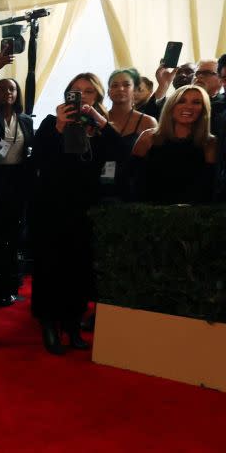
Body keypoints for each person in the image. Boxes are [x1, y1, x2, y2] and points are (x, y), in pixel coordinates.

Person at [31, 73, 124, 355]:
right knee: (51, 267)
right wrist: (60, 126)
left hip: (85, 208)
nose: (82, 96)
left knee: (79, 268)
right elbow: (39, 161)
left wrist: (98, 119)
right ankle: (49, 324)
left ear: (97, 96)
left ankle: (72, 324)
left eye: (88, 92)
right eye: (76, 91)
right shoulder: (51, 124)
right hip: (52, 208)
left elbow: (119, 153)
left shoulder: (100, 128)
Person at [0, 78, 33, 307]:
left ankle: (10, 284)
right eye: (3, 89)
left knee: (13, 235)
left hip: (17, 181)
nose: (8, 93)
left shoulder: (24, 120)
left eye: (12, 89)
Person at [129, 85, 217, 204]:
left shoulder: (209, 143)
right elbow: (131, 180)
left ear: (203, 109)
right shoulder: (149, 138)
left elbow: (208, 189)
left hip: (194, 216)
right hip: (151, 214)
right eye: (181, 101)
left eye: (196, 102)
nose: (189, 107)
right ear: (171, 106)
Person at [104, 69, 157, 200]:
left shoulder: (147, 121)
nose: (120, 89)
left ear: (135, 90)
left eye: (126, 85)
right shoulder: (99, 118)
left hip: (134, 188)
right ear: (109, 92)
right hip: (101, 187)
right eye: (114, 85)